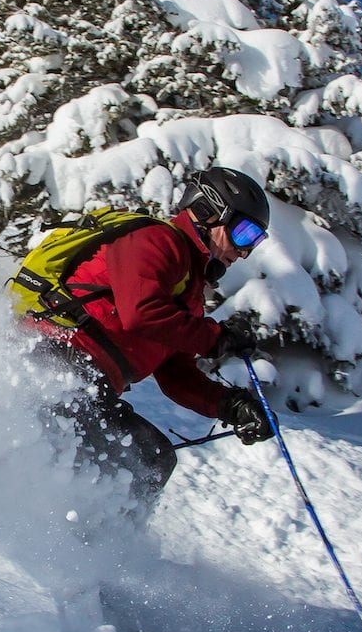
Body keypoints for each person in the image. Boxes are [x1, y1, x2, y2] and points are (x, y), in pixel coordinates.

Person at [30, 166, 275, 512]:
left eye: (255, 240)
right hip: (55, 360)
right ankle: (91, 551)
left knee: (149, 460)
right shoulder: (158, 241)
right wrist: (215, 339)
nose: (245, 251)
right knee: (148, 458)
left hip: (85, 380)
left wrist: (232, 405)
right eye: (244, 233)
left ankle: (86, 547)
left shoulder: (188, 289)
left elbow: (176, 374)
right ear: (209, 211)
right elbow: (141, 313)